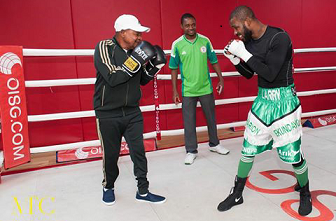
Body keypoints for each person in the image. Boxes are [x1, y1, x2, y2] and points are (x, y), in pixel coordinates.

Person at [217, 6, 312, 216]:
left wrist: (242, 53)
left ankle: (305, 192)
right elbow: (251, 73)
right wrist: (235, 60)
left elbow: (269, 73)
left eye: (237, 27)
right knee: (247, 149)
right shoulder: (250, 42)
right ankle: (237, 193)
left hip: (284, 102)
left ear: (248, 21)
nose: (235, 33)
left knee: (292, 153)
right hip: (262, 101)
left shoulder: (280, 38)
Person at [93, 14, 166, 205]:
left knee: (138, 152)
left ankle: (143, 190)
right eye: (136, 33)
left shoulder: (135, 52)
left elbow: (140, 80)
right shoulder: (104, 47)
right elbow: (112, 77)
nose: (140, 38)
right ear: (122, 32)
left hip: (132, 112)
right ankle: (108, 185)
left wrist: (153, 68)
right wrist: (137, 59)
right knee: (111, 155)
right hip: (108, 113)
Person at [169, 13, 230, 165]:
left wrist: (220, 78)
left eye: (193, 24)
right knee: (189, 121)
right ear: (182, 27)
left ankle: (215, 144)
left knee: (211, 118)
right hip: (188, 90)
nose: (191, 28)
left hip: (206, 88)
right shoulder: (177, 44)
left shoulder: (205, 41)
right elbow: (173, 68)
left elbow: (214, 61)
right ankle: (191, 151)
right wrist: (175, 91)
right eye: (187, 25)